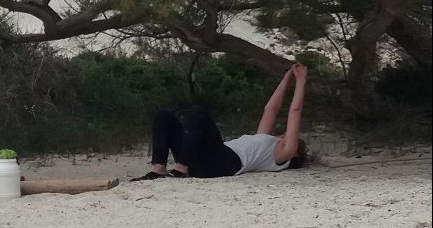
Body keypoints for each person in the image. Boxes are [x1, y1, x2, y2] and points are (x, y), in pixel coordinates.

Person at [131, 62, 311, 181]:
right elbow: (271, 109)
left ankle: (180, 168)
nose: (286, 134)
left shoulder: (283, 155)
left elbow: (295, 112)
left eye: (291, 138)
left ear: (295, 153)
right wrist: (287, 77)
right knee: (163, 117)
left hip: (224, 163)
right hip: (207, 159)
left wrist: (302, 81)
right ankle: (158, 169)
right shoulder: (266, 140)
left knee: (198, 114)